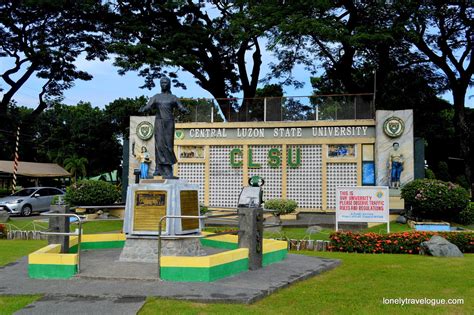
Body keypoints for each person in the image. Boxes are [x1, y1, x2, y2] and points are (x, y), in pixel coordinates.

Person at [139, 77, 189, 178]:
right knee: (159, 145)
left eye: (166, 83)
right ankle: (159, 169)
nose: (164, 84)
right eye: (162, 83)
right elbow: (148, 106)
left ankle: (168, 169)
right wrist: (143, 109)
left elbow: (181, 107)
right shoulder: (156, 97)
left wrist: (184, 110)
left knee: (168, 146)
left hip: (169, 123)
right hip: (159, 122)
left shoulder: (173, 97)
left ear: (169, 84)